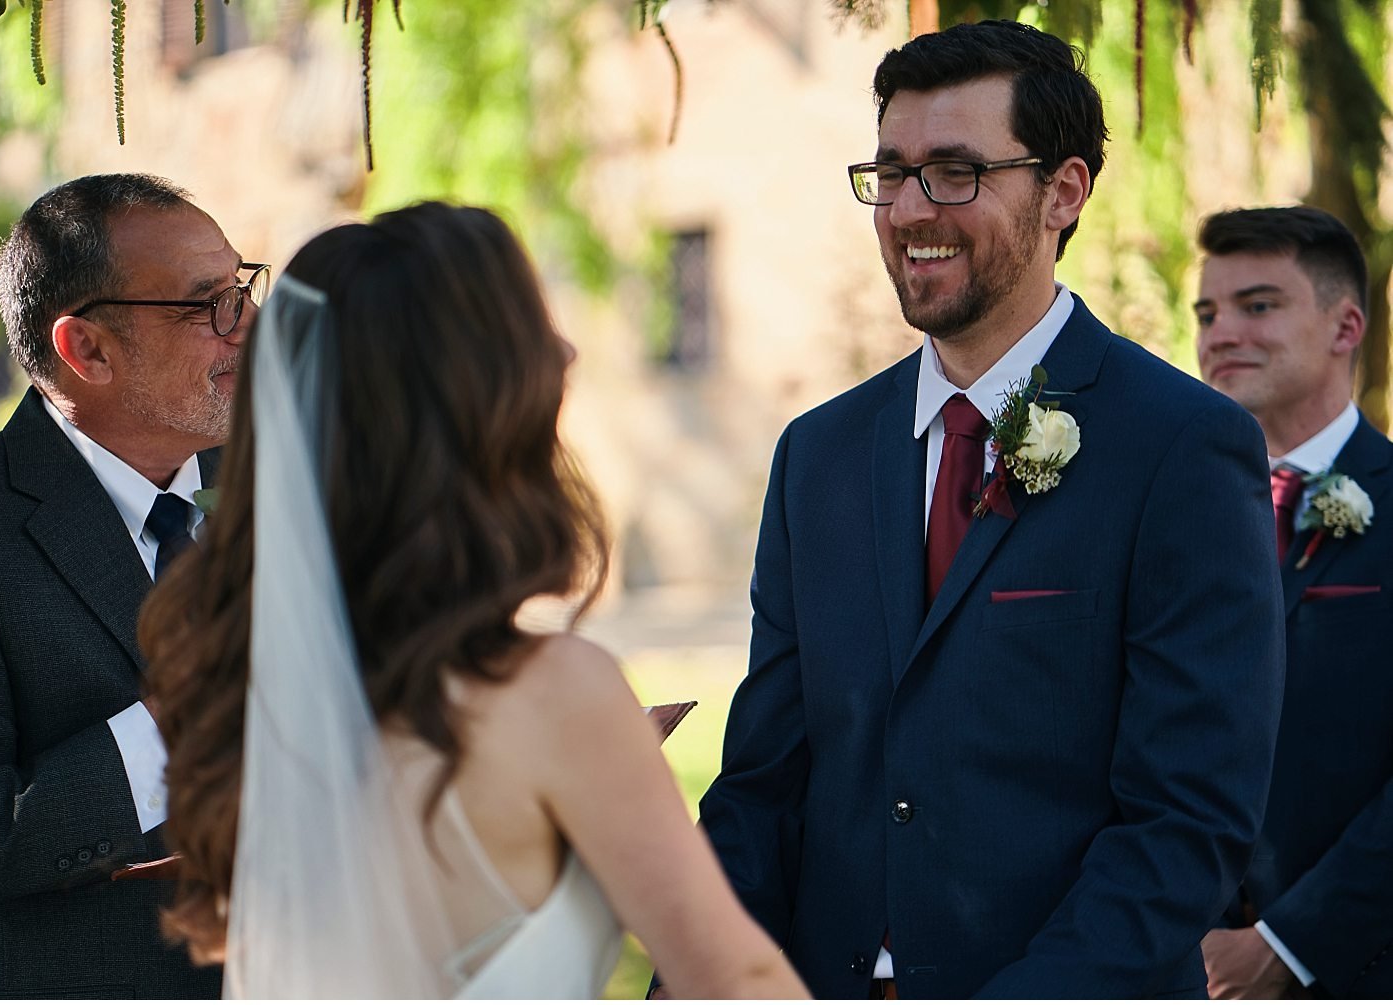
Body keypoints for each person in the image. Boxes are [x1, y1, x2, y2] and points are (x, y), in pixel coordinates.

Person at [680, 20, 1286, 999]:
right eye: (892, 172)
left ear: (1064, 191)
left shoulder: (1182, 447)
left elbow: (1187, 824)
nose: (912, 209)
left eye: (956, 171)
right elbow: (763, 786)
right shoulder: (818, 458)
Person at [136, 202, 810, 998]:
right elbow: (738, 980)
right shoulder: (559, 694)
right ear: (481, 397)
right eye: (528, 326)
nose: (565, 350)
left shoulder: (254, 687)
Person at [0, 173, 252, 996]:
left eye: (241, 288)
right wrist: (170, 732)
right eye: (207, 305)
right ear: (86, 349)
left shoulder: (283, 483)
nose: (245, 326)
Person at [1194, 205, 1393, 998]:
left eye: (1259, 305)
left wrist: (1285, 943)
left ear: (1345, 327)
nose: (1221, 332)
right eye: (1208, 312)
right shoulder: (1177, 517)